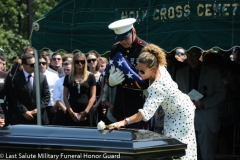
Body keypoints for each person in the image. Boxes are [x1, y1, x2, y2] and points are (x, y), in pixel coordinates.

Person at [109, 44, 197, 159]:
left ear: (153, 69)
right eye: (137, 69)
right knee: (177, 148)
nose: (138, 74)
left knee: (178, 149)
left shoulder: (158, 87)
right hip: (177, 109)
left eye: (142, 71)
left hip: (181, 114)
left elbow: (144, 114)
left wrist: (122, 122)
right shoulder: (159, 65)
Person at [176, 47, 226, 160]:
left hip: (206, 116)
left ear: (200, 54)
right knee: (187, 154)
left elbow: (221, 93)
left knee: (206, 154)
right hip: (186, 117)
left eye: (194, 54)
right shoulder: (180, 72)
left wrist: (204, 103)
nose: (191, 57)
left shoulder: (212, 71)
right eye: (188, 54)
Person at [107, 18, 149, 129]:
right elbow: (108, 72)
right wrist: (110, 82)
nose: (123, 42)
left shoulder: (144, 49)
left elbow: (150, 80)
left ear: (133, 31)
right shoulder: (116, 48)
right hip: (120, 104)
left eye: (125, 38)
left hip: (138, 105)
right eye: (120, 39)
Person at [11, 53, 50, 125]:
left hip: (40, 118)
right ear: (24, 65)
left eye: (35, 63)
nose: (35, 66)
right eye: (32, 65)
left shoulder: (42, 77)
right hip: (22, 119)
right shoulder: (15, 78)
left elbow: (46, 96)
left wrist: (38, 109)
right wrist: (24, 112)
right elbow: (14, 98)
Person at [63, 52, 96, 126]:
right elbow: (65, 97)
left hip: (87, 110)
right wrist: (71, 113)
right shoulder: (68, 77)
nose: (80, 64)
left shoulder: (90, 76)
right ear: (73, 63)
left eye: (82, 61)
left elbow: (93, 96)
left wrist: (86, 112)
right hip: (72, 110)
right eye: (77, 62)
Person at [39, 54, 59, 125]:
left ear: (47, 64)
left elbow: (59, 91)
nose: (41, 65)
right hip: (38, 105)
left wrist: (57, 104)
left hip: (51, 105)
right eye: (39, 63)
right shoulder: (33, 76)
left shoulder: (54, 76)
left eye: (43, 63)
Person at [53, 60, 72, 125]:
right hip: (62, 111)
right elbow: (56, 98)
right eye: (64, 70)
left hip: (75, 111)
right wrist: (65, 110)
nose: (66, 72)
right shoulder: (58, 81)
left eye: (68, 70)